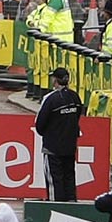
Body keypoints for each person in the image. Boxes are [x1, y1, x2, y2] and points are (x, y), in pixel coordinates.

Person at [34, 67, 84, 202]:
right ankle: (71, 204)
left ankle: (55, 205)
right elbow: (78, 116)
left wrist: (50, 133)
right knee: (69, 176)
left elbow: (39, 124)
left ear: (55, 80)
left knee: (54, 179)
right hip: (70, 145)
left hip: (52, 146)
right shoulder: (75, 96)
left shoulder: (50, 98)